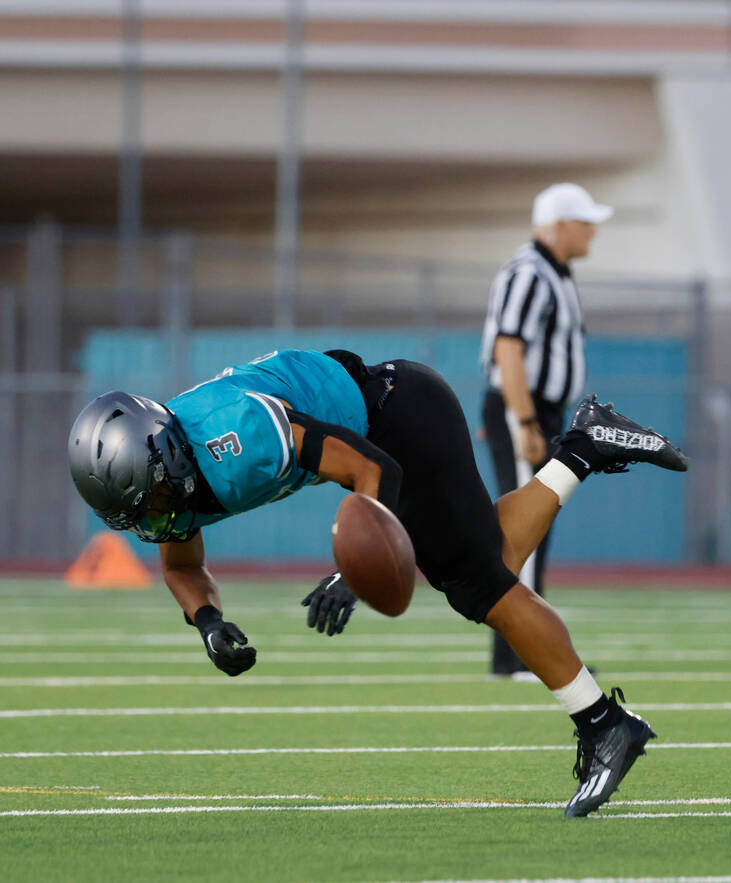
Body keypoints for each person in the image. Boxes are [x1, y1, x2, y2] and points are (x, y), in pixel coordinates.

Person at [67, 348, 687, 818]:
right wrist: (208, 624)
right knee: (486, 558)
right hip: (381, 425)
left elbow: (375, 469)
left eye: (157, 498)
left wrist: (351, 573)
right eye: (141, 512)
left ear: (168, 455)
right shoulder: (166, 485)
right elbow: (181, 567)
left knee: (482, 588)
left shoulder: (238, 435)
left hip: (399, 415)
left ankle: (605, 725)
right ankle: (587, 445)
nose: (158, 516)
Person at [479, 183, 609, 676]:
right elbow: (507, 349)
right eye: (584, 220)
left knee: (535, 528)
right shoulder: (530, 272)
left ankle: (520, 651)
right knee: (523, 529)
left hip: (535, 410)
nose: (592, 230)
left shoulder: (552, 273)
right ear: (557, 225)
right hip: (527, 410)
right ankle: (517, 655)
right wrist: (524, 418)